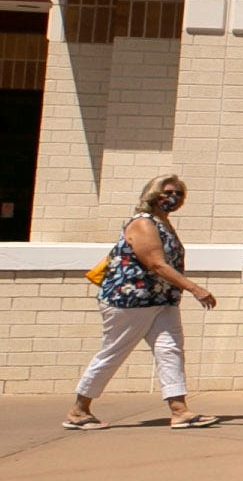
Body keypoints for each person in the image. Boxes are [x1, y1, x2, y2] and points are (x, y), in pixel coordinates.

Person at [63, 173, 219, 428]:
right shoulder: (143, 223)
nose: (173, 198)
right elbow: (155, 263)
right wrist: (194, 288)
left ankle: (179, 410)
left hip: (162, 299)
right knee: (114, 351)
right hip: (131, 300)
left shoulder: (163, 223)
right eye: (167, 193)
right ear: (152, 194)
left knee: (170, 350)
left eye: (178, 194)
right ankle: (79, 410)